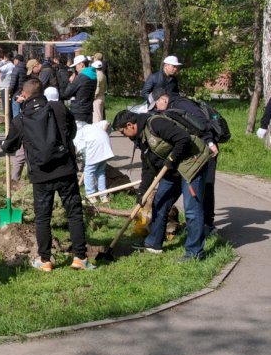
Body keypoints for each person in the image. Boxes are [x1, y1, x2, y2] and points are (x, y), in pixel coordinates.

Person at [1, 78, 96, 272]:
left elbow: (9, 146)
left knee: (43, 217)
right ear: (42, 91)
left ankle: (45, 260)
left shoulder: (20, 119)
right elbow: (72, 130)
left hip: (41, 175)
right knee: (74, 214)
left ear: (24, 96)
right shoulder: (58, 108)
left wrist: (5, 144)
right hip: (65, 169)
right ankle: (80, 257)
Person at [112, 109, 211, 261]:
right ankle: (154, 243)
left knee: (191, 210)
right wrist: (142, 193)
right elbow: (148, 168)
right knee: (160, 202)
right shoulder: (140, 138)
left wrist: (171, 160)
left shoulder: (156, 123)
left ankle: (195, 252)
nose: (124, 136)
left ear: (130, 125)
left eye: (122, 132)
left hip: (192, 164)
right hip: (173, 170)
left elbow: (183, 138)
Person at [149, 88, 220, 236]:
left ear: (163, 99)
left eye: (156, 105)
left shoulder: (181, 103)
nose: (156, 109)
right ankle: (199, 225)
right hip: (195, 150)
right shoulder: (170, 107)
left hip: (207, 147)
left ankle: (208, 224)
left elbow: (201, 122)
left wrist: (209, 142)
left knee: (206, 184)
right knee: (199, 187)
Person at [74, 122, 114, 203]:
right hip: (105, 145)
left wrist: (83, 159)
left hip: (95, 146)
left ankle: (91, 195)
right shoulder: (92, 126)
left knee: (88, 172)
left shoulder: (77, 134)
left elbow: (78, 149)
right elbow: (106, 122)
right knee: (100, 172)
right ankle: (103, 196)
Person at [60, 55, 97, 126]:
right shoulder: (93, 75)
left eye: (76, 66)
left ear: (81, 65)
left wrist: (71, 81)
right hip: (88, 109)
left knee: (79, 133)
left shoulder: (81, 77)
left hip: (79, 110)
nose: (76, 69)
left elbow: (67, 93)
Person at [7, 53, 28, 118]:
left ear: (17, 60)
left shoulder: (16, 68)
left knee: (16, 112)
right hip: (23, 92)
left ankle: (16, 126)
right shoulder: (25, 68)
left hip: (16, 93)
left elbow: (13, 82)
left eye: (14, 60)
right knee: (22, 111)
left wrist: (9, 92)